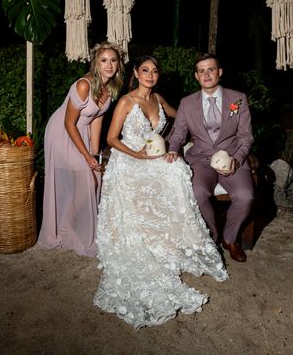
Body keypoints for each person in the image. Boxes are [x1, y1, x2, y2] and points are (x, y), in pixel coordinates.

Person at [94, 55, 227, 329]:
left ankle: (173, 240)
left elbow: (186, 115)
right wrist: (137, 156)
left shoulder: (159, 99)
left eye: (154, 72)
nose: (150, 75)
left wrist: (210, 122)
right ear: (136, 72)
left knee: (176, 168)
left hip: (153, 157)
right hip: (128, 160)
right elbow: (110, 139)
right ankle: (148, 238)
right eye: (145, 70)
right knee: (168, 170)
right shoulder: (126, 101)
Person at [37, 42, 125, 257]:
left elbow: (97, 119)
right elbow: (69, 123)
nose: (109, 65)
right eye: (104, 60)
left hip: (83, 132)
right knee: (87, 179)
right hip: (62, 133)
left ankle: (68, 227)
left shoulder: (110, 87)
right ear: (95, 62)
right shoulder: (84, 85)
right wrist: (86, 156)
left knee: (95, 174)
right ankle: (64, 231)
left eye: (113, 60)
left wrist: (95, 156)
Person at [166, 53, 254, 262]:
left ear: (219, 72)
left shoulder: (238, 99)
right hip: (200, 159)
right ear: (196, 76)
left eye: (211, 69)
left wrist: (237, 160)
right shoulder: (187, 103)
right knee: (197, 192)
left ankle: (230, 238)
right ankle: (211, 239)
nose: (207, 74)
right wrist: (172, 149)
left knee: (245, 196)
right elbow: (178, 133)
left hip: (232, 157)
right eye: (202, 71)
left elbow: (246, 136)